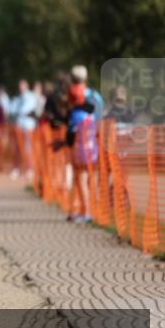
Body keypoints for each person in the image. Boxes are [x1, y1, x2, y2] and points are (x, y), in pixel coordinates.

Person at [65, 83, 97, 223]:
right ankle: (84, 211)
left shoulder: (76, 115)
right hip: (92, 150)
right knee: (84, 181)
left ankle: (87, 213)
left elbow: (71, 136)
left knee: (82, 181)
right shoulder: (90, 112)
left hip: (81, 152)